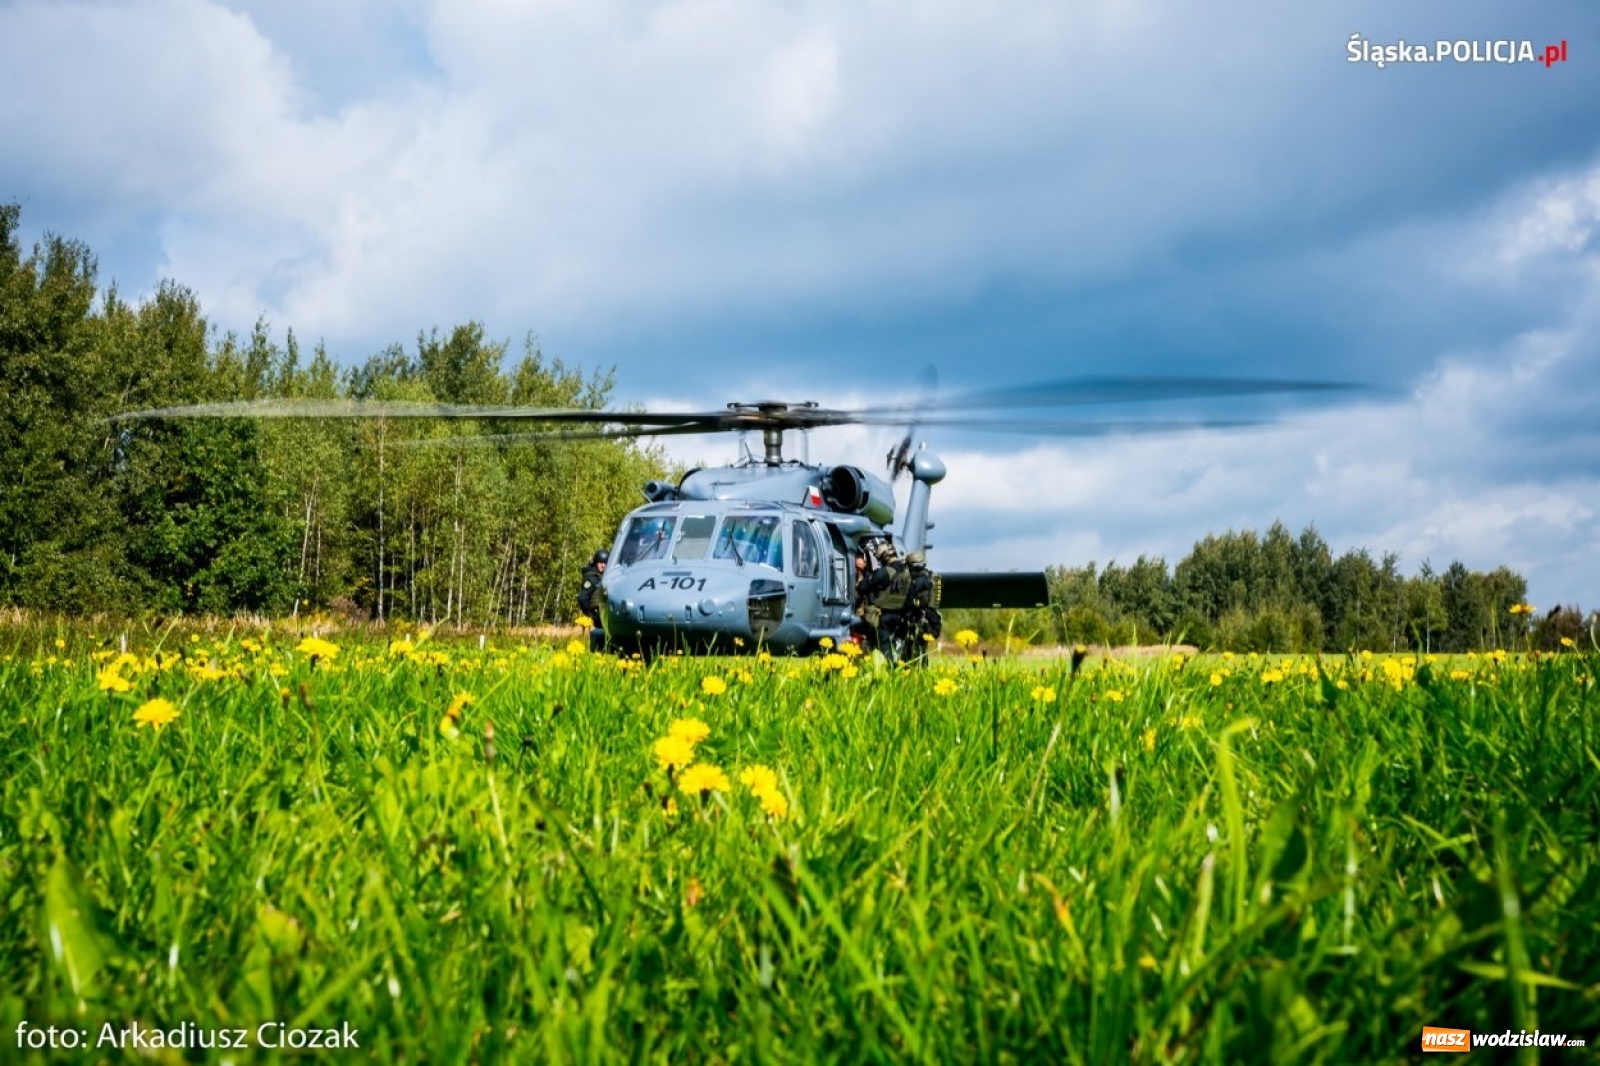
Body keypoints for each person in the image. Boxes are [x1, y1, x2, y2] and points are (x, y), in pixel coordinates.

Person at [577, 548, 608, 621]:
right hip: (598, 614)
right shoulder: (592, 577)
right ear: (596, 562)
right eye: (600, 563)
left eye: (605, 563)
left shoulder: (606, 576)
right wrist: (591, 615)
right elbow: (582, 598)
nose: (603, 565)